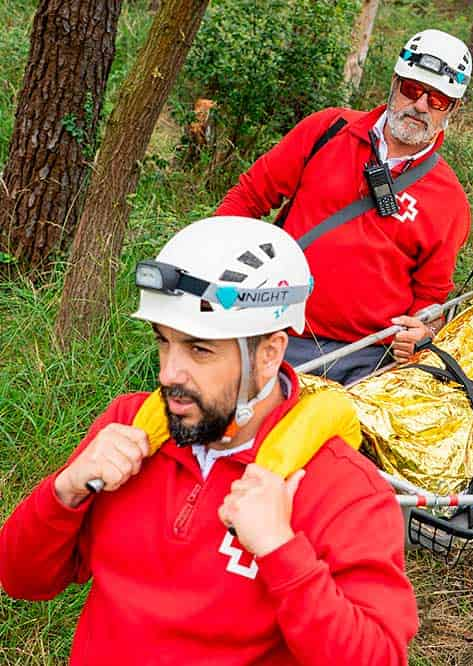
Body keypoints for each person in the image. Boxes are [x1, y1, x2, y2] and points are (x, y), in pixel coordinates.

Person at [0, 217, 419, 665]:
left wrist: (280, 548)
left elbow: (377, 658)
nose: (168, 374)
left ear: (270, 353)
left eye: (200, 349)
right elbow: (22, 579)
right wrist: (65, 491)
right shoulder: (128, 429)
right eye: (164, 343)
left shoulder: (339, 486)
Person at [215, 29, 473, 384]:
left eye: (439, 100)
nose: (421, 105)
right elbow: (249, 196)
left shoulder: (449, 200)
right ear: (395, 83)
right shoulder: (329, 129)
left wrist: (423, 333)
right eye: (413, 89)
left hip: (364, 360)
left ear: (453, 109)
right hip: (272, 327)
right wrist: (210, 260)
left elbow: (431, 297)